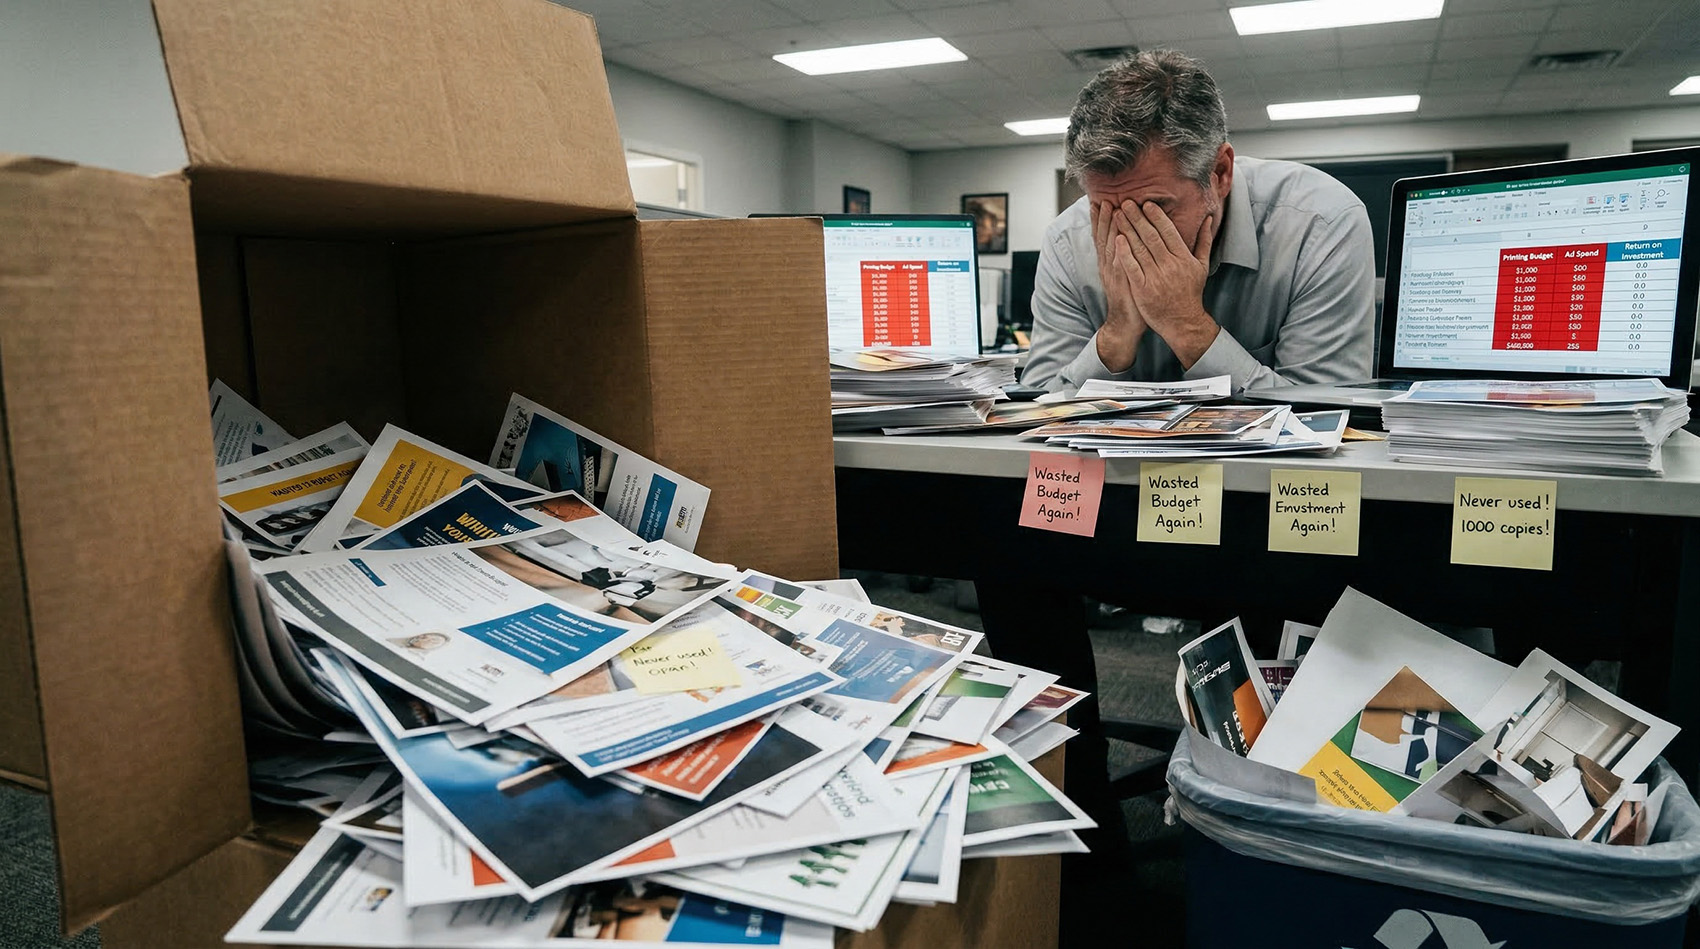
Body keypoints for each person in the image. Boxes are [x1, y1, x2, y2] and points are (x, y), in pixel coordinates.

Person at [1022, 49, 1376, 395]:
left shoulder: (1320, 223)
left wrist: (1187, 326)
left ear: (1220, 173)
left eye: (1153, 209)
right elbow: (1035, 407)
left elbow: (1329, 412)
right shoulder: (1068, 241)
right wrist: (1115, 335)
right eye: (1104, 210)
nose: (1125, 240)